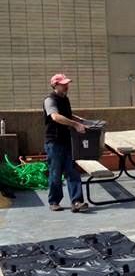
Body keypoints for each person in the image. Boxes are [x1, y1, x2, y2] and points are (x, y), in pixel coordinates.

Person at [42, 73, 89, 212]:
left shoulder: (65, 99)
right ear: (55, 85)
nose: (66, 86)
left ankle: (77, 202)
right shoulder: (50, 100)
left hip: (67, 141)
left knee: (72, 172)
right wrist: (75, 124)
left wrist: (79, 120)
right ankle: (54, 201)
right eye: (63, 84)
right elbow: (56, 116)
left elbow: (66, 115)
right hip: (54, 142)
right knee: (55, 173)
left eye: (67, 83)